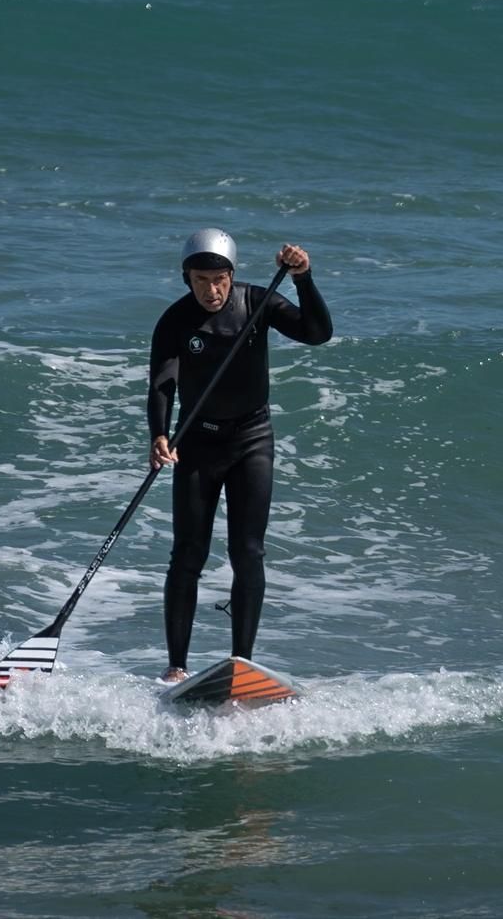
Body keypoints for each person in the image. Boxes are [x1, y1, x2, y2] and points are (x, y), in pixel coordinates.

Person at [146, 228, 333, 684]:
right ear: (186, 278)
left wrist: (303, 279)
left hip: (252, 439)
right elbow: (162, 383)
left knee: (248, 553)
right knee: (187, 555)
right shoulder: (175, 320)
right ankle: (176, 667)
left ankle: (242, 662)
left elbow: (317, 333)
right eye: (201, 279)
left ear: (233, 275)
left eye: (220, 279)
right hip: (198, 443)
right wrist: (159, 434)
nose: (213, 290)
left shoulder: (258, 303)